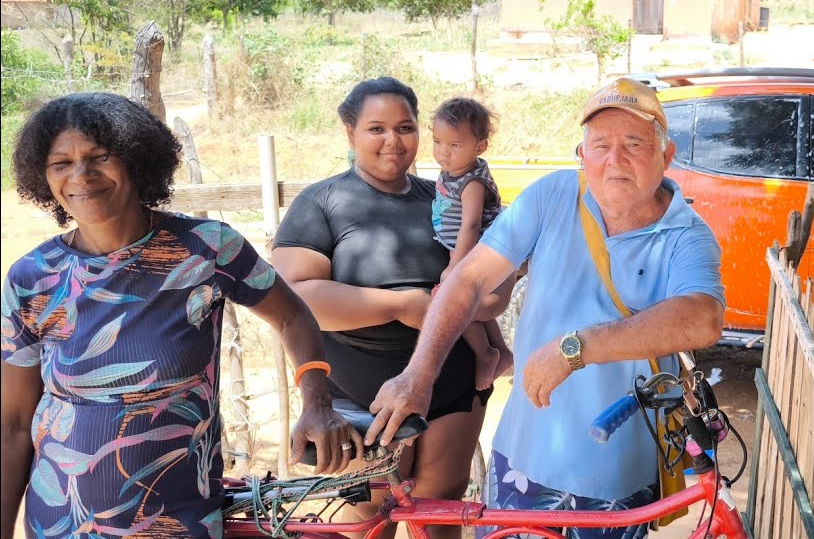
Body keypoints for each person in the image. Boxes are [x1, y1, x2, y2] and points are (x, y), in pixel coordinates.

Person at [363, 77, 726, 539]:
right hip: (523, 461)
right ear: (582, 154)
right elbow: (469, 279)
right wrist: (419, 374)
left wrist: (575, 348)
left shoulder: (687, 235)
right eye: (601, 145)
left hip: (618, 482)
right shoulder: (553, 195)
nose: (615, 160)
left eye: (634, 144)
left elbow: (702, 317)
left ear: (666, 155)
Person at [1, 92, 358, 539]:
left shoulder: (207, 249)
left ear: (136, 158)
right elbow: (13, 426)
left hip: (176, 520)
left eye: (100, 156)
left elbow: (293, 317)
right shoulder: (34, 278)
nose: (81, 176)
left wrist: (317, 403)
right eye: (61, 163)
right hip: (60, 522)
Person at [270, 77, 506, 539]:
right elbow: (295, 299)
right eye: (376, 128)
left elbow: (494, 282)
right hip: (357, 396)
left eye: (405, 127)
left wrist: (475, 307)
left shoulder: (447, 198)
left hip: (452, 384)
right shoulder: (321, 203)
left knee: (441, 509)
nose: (393, 141)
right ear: (350, 132)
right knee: (365, 519)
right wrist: (402, 306)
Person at [430, 97, 513, 390]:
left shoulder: (472, 183)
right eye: (437, 142)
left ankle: (485, 353)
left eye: (455, 145)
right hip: (463, 249)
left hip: (475, 253)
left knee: (454, 303)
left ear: (480, 147)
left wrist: (456, 267)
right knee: (470, 303)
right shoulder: (453, 170)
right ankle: (501, 350)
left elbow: (471, 225)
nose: (443, 152)